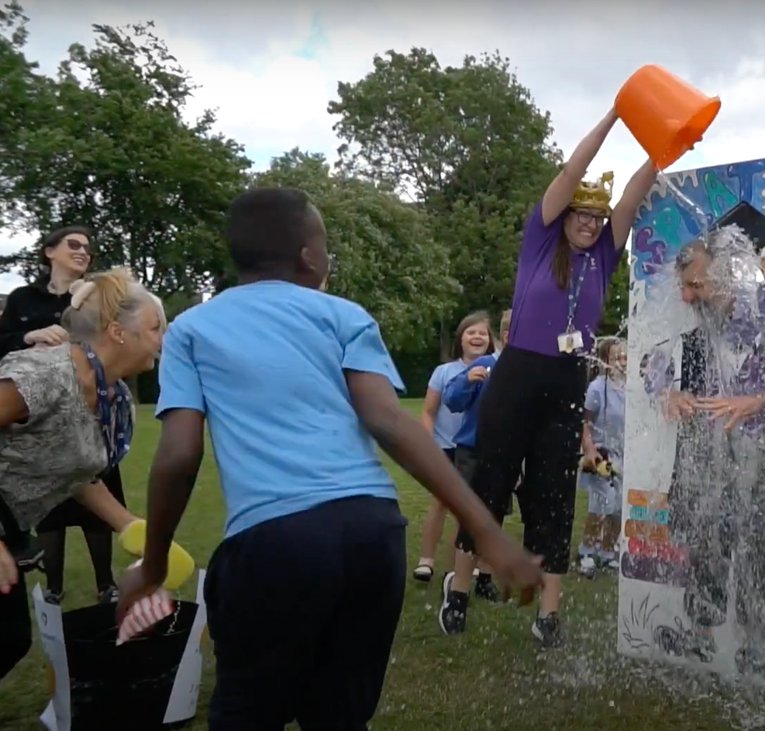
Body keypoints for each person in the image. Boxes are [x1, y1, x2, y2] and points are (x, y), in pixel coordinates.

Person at [116, 187, 543, 730]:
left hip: (272, 544)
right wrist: (485, 531)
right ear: (308, 257)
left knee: (248, 712)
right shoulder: (343, 315)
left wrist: (153, 567)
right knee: (340, 717)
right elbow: (390, 422)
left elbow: (178, 454)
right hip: (372, 534)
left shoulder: (193, 329)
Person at [439, 109, 658, 648]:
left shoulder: (605, 254)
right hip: (516, 377)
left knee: (555, 495)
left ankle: (549, 613)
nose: (588, 222)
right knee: (489, 485)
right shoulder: (539, 241)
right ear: (562, 217)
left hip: (566, 381)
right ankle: (460, 588)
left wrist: (661, 151)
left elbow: (629, 198)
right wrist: (615, 117)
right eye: (580, 214)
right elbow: (569, 171)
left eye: (595, 218)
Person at [643, 237, 765, 681]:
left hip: (763, 475)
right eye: (684, 287)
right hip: (707, 472)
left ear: (728, 279)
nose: (686, 297)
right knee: (706, 548)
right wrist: (665, 391)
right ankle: (700, 637)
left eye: (694, 285)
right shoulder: (692, 343)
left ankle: (758, 652)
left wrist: (763, 400)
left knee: (757, 554)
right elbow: (650, 363)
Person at [0, 268, 175, 681]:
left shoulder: (113, 401)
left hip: (12, 526)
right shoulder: (44, 375)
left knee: (8, 639)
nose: (161, 341)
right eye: (155, 328)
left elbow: (76, 474)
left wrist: (134, 531)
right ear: (118, 332)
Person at [0, 225, 128, 605]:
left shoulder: (94, 299)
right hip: (35, 420)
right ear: (49, 251)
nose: (83, 252)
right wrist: (29, 337)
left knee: (97, 497)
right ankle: (53, 587)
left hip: (89, 419)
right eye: (74, 244)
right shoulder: (24, 298)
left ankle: (105, 584)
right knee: (52, 512)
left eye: (88, 248)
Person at [413, 311, 494, 584]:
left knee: (467, 509)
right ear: (461, 339)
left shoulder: (494, 368)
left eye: (482, 332)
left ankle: (456, 566)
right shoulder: (444, 372)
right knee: (440, 503)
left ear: (490, 339)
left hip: (473, 449)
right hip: (443, 447)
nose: (477, 336)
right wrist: (428, 445)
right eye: (471, 332)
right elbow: (428, 411)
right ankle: (426, 560)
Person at [576, 336, 626, 577]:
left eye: (625, 356)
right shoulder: (597, 388)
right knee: (600, 502)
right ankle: (586, 551)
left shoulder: (631, 387)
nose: (622, 361)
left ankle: (607, 552)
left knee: (617, 506)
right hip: (601, 450)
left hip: (624, 454)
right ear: (605, 360)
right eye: (617, 357)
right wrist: (590, 450)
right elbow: (585, 422)